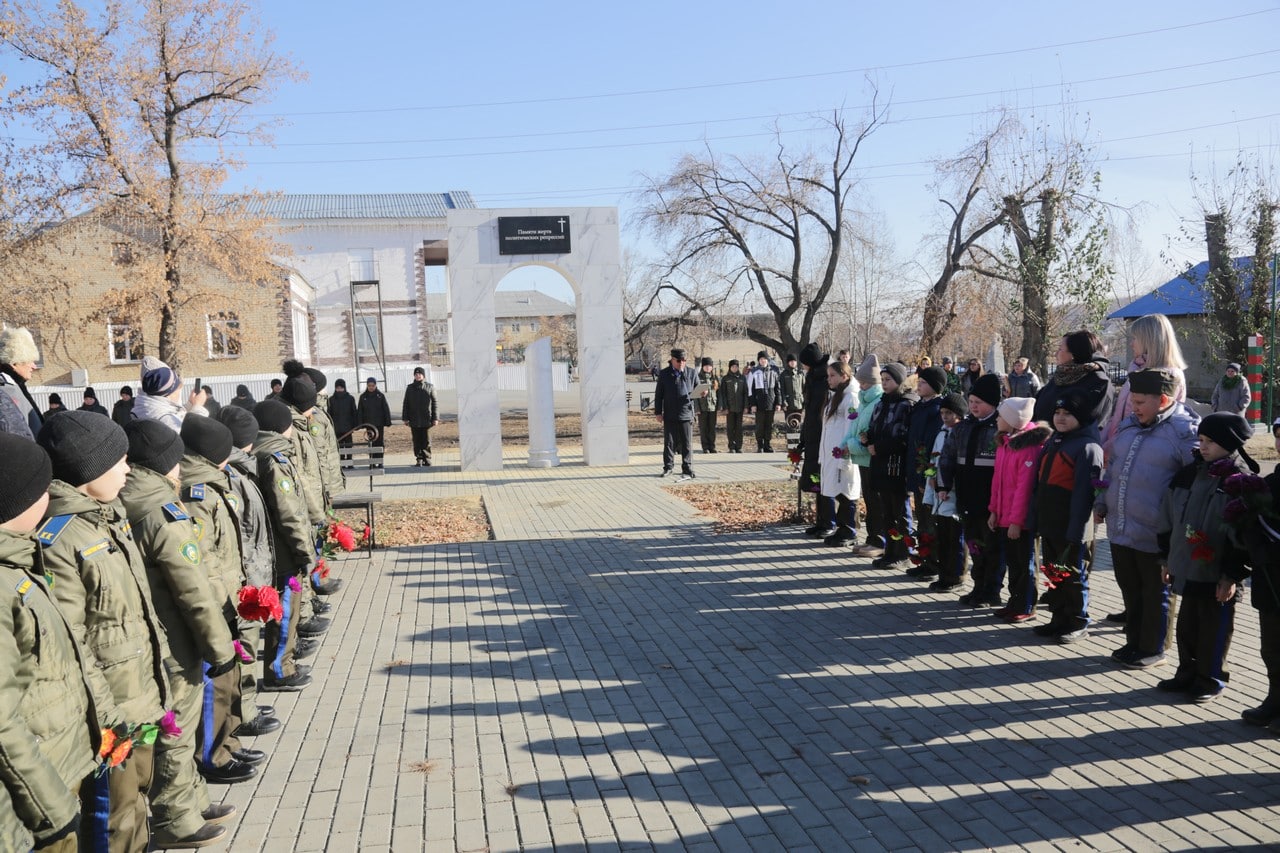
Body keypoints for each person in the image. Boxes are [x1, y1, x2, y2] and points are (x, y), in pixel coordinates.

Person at [34, 411, 204, 852]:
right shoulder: (61, 539)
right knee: (115, 815)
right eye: (119, 461)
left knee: (136, 803)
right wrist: (107, 714)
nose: (129, 470)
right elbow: (72, 642)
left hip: (139, 691)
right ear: (88, 468)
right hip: (112, 705)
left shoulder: (106, 520)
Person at [118, 419, 237, 849]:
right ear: (164, 464)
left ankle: (193, 799)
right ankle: (175, 818)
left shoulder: (130, 502)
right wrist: (220, 647)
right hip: (175, 639)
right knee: (177, 729)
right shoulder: (161, 512)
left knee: (178, 728)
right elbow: (192, 589)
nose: (181, 469)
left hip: (155, 634)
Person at [0, 433, 101, 853]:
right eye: (42, 488)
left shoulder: (17, 562)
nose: (50, 494)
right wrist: (52, 808)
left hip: (53, 761)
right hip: (36, 797)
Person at [1095, 369, 1199, 667]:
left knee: (1155, 593)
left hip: (1156, 532)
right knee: (1131, 588)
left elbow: (1193, 480)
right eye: (1132, 401)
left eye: (1140, 401)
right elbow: (1113, 468)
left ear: (1163, 400)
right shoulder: (1128, 426)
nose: (1133, 407)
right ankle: (1134, 642)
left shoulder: (1184, 432)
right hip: (1121, 525)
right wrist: (1102, 501)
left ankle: (1153, 647)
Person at [179, 416, 262, 785]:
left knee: (231, 677)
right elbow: (202, 556)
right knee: (218, 679)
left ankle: (228, 741)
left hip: (229, 594)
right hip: (217, 600)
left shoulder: (212, 484)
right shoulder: (197, 493)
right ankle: (212, 754)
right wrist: (223, 603)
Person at [1155, 413, 1256, 703]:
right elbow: (1168, 518)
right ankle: (1186, 671)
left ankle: (1210, 677)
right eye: (1201, 440)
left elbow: (1245, 537)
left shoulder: (1240, 481)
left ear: (1229, 443)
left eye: (1211, 441)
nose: (1204, 447)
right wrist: (1166, 559)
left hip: (1217, 573)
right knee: (1188, 625)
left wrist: (1232, 575)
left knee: (1214, 628)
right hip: (1187, 568)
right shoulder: (1188, 473)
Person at [214, 405, 283, 737]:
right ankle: (244, 712)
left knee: (248, 643)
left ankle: (248, 704)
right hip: (241, 578)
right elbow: (240, 533)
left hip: (251, 570)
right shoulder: (232, 478)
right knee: (244, 644)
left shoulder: (241, 471)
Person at [1029, 388, 1105, 643]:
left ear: (1081, 418)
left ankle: (1077, 620)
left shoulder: (1087, 447)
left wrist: (1077, 530)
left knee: (1073, 575)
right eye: (1057, 413)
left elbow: (1085, 494)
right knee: (1054, 571)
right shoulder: (1054, 441)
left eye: (1068, 414)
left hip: (1073, 526)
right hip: (1050, 521)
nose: (1060, 418)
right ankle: (1058, 618)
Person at [251, 400, 315, 693]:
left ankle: (283, 663)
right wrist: (305, 552)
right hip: (285, 552)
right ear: (281, 427)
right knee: (286, 610)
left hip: (275, 549)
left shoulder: (259, 453)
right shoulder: (274, 459)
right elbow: (289, 512)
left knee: (283, 611)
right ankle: (279, 670)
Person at [937, 373, 1003, 606]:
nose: (974, 406)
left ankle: (992, 589)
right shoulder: (963, 427)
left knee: (992, 546)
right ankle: (978, 585)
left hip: (990, 498)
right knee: (974, 544)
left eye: (979, 403)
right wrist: (944, 484)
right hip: (967, 496)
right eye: (972, 402)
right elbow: (947, 457)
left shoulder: (1000, 427)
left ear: (993, 404)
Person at [988, 398, 1051, 622]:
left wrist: (1016, 521)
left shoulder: (1029, 449)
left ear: (1014, 421)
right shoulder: (1005, 444)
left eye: (1001, 415)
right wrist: (994, 510)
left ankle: (1026, 604)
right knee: (1013, 563)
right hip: (1005, 516)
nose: (997, 419)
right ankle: (1014, 602)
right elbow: (998, 482)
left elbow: (1024, 490)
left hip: (1020, 521)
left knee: (1025, 564)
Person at [1101, 313, 1188, 459]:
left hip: (1139, 452)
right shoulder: (1136, 370)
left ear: (1149, 341)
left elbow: (1149, 423)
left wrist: (1113, 444)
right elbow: (1121, 413)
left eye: (1135, 338)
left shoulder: (1167, 377)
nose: (1131, 344)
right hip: (1120, 447)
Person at [1239, 418, 1280, 727]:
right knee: (1271, 645)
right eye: (1278, 436)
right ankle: (1274, 700)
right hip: (1271, 577)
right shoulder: (1271, 482)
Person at [863, 362, 914, 569]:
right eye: (882, 380)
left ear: (899, 381)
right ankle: (890, 550)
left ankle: (904, 551)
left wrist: (879, 447)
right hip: (880, 464)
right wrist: (867, 439)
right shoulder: (882, 402)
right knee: (887, 511)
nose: (884, 383)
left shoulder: (905, 404)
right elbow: (876, 427)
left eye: (888, 380)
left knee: (900, 511)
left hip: (896, 465)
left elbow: (903, 438)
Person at [905, 365, 948, 578]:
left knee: (930, 521)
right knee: (921, 519)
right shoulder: (920, 406)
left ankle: (933, 563)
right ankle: (924, 559)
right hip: (915, 469)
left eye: (923, 383)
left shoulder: (936, 410)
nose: (918, 386)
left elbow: (930, 445)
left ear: (934, 386)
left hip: (927, 472)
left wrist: (925, 475)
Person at [924, 394, 968, 591]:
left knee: (955, 536)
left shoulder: (962, 434)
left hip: (955, 490)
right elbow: (934, 458)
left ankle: (957, 575)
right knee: (943, 536)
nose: (945, 417)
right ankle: (945, 573)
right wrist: (931, 476)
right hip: (939, 490)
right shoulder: (941, 433)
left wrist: (948, 482)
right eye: (942, 413)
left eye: (949, 413)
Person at [1033, 329, 1114, 426]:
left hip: (1072, 441)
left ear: (1074, 354)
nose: (1055, 354)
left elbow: (1090, 424)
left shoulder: (1098, 383)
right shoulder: (1061, 376)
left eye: (1060, 349)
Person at [846, 356, 884, 554]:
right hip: (861, 457)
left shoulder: (876, 402)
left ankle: (879, 541)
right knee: (869, 500)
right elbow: (855, 428)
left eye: (864, 383)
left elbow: (868, 433)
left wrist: (852, 444)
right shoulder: (864, 401)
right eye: (860, 383)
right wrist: (847, 444)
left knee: (876, 502)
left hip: (871, 458)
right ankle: (871, 537)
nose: (860, 387)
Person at [822, 361, 861, 546]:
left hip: (843, 455)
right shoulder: (837, 396)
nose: (829, 379)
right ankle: (841, 527)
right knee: (837, 490)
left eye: (832, 375)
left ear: (844, 376)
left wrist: (846, 455)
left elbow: (850, 427)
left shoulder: (851, 397)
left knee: (846, 491)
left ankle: (849, 529)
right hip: (833, 454)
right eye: (828, 375)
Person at [798, 345, 834, 535]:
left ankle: (828, 521)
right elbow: (810, 412)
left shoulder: (821, 381)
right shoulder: (813, 378)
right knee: (816, 480)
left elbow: (819, 412)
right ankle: (821, 520)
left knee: (824, 480)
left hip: (821, 436)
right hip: (813, 434)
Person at [132, 355, 208, 432]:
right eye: (178, 389)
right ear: (167, 395)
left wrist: (190, 404)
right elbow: (191, 436)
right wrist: (198, 408)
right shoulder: (164, 419)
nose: (179, 393)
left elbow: (175, 413)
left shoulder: (147, 406)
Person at [654, 348, 697, 479]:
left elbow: (697, 389)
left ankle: (687, 468)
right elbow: (659, 395)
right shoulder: (664, 374)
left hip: (686, 413)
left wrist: (703, 393)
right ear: (672, 360)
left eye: (684, 360)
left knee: (687, 443)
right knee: (669, 443)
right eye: (679, 361)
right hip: (670, 413)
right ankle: (668, 467)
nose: (681, 363)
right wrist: (658, 412)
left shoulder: (691, 373)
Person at [0, 325, 44, 436]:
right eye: (30, 361)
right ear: (14, 363)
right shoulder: (7, 390)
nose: (34, 366)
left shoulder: (15, 386)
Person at [402, 367, 439, 467]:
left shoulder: (430, 387)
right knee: (416, 440)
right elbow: (406, 404)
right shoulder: (410, 388)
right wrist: (405, 418)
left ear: (423, 376)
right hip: (414, 419)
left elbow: (435, 403)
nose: (418, 376)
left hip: (427, 419)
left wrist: (435, 418)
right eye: (416, 374)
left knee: (426, 440)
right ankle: (419, 459)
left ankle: (427, 458)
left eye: (420, 374)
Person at [746, 350, 781, 452]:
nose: (763, 361)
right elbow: (750, 390)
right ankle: (760, 445)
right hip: (759, 401)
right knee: (760, 424)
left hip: (771, 400)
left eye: (765, 359)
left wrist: (778, 402)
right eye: (761, 359)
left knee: (769, 424)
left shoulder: (774, 371)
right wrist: (752, 404)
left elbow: (778, 388)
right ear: (758, 360)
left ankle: (767, 444)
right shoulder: (754, 372)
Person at [717, 359, 747, 453]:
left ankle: (739, 446)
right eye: (733, 366)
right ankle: (731, 447)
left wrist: (746, 406)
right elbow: (723, 394)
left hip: (740, 407)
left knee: (739, 427)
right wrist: (725, 407)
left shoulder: (742, 378)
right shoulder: (726, 379)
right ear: (730, 367)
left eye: (736, 366)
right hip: (729, 408)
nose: (735, 368)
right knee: (730, 428)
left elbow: (745, 393)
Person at [357, 377, 392, 455]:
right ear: (367, 385)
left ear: (375, 385)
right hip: (369, 424)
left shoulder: (380, 396)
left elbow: (385, 409)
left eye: (373, 385)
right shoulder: (363, 397)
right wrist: (360, 424)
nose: (371, 387)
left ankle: (380, 460)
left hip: (379, 423)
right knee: (371, 442)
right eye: (369, 385)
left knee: (379, 441)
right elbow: (360, 411)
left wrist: (388, 421)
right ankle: (372, 461)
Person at [694, 357, 719, 454]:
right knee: (704, 428)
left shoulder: (715, 378)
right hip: (702, 407)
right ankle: (705, 447)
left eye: (710, 366)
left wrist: (719, 406)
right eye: (706, 366)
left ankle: (712, 446)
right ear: (702, 367)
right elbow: (695, 395)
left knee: (712, 428)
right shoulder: (698, 378)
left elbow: (719, 393)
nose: (708, 368)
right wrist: (697, 408)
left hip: (713, 407)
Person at [328, 378, 359, 447]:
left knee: (349, 446)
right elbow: (329, 414)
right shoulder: (331, 399)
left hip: (348, 428)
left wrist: (355, 425)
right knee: (339, 447)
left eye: (341, 388)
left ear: (344, 388)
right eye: (337, 388)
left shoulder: (350, 398)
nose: (339, 390)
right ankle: (341, 458)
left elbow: (354, 412)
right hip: (336, 428)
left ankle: (349, 458)